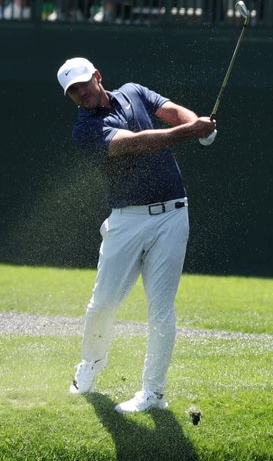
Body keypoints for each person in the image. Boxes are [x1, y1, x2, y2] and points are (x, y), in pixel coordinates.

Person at [59, 55, 216, 414]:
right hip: (126, 219)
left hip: (172, 213)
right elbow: (138, 142)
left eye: (83, 84)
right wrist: (191, 132)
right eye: (72, 91)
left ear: (98, 76)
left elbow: (171, 111)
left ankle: (154, 393)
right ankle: (91, 364)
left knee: (161, 307)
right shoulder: (85, 130)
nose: (80, 93)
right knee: (102, 303)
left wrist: (198, 125)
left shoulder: (134, 92)